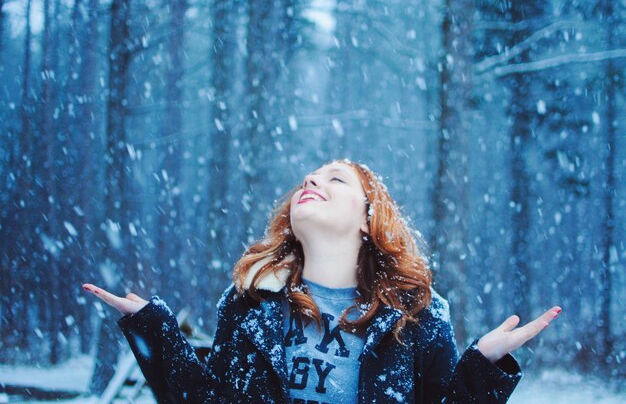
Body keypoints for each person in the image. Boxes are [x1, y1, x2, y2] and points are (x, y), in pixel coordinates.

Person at [83, 159, 561, 404]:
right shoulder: (249, 302)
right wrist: (155, 329)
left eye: (336, 180)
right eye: (309, 179)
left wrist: (483, 364)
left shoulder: (418, 312)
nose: (312, 181)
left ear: (368, 217)